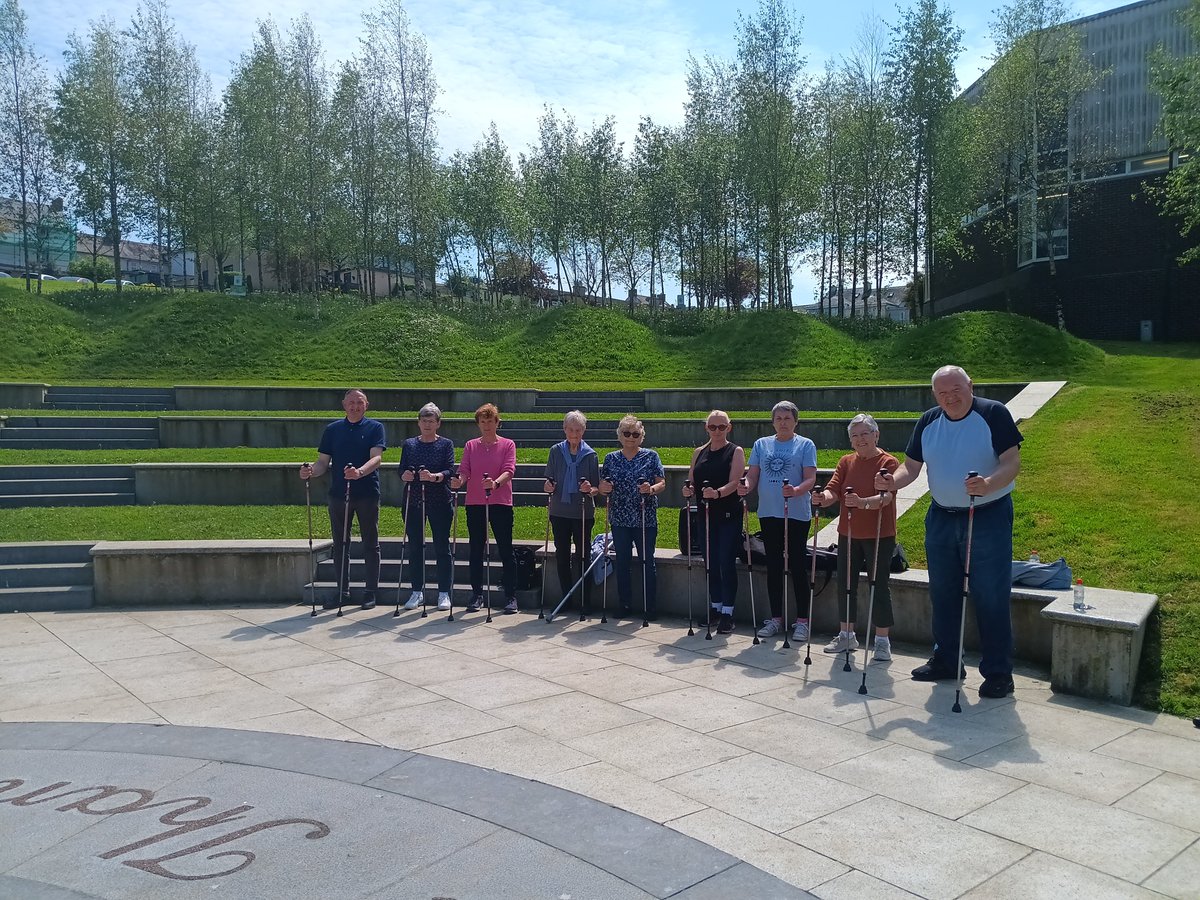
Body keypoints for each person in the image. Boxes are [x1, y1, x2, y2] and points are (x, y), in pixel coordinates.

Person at [875, 365, 1023, 699]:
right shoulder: (928, 420)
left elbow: (1011, 462)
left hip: (987, 515)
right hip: (941, 516)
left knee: (990, 594)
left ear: (971, 386)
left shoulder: (993, 413)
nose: (950, 398)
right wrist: (890, 483)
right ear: (934, 395)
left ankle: (999, 672)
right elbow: (911, 467)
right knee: (942, 592)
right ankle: (946, 660)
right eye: (942, 393)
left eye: (956, 389)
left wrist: (988, 484)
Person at [812, 414, 900, 660]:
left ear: (876, 435)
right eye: (854, 436)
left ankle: (882, 641)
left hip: (880, 534)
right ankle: (846, 635)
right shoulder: (846, 461)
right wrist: (822, 498)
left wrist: (862, 503)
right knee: (846, 584)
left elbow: (887, 497)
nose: (860, 440)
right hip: (849, 533)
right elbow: (833, 490)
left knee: (878, 585)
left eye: (864, 434)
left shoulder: (888, 462)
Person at [299, 389, 387, 610]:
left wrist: (359, 472)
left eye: (359, 402)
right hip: (339, 494)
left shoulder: (375, 427)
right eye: (351, 402)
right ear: (344, 404)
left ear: (366, 405)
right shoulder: (333, 429)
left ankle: (370, 591)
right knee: (340, 544)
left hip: (367, 492)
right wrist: (310, 471)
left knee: (370, 543)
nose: (355, 406)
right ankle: (342, 592)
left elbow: (376, 458)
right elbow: (322, 462)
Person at [740, 401, 817, 641]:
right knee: (773, 565)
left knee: (797, 564)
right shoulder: (761, 444)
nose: (783, 422)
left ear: (796, 421)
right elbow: (753, 474)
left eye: (787, 418)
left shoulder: (805, 444)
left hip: (796, 513)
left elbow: (810, 478)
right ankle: (775, 619)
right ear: (773, 422)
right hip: (769, 512)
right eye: (779, 418)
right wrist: (746, 486)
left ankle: (802, 621)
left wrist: (796, 491)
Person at [682, 410, 746, 634]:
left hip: (728, 514)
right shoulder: (699, 452)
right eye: (712, 427)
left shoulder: (735, 451)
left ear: (729, 427)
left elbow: (735, 481)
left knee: (726, 562)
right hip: (705, 515)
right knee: (710, 562)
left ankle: (728, 611)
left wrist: (717, 493)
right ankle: (716, 606)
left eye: (721, 427)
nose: (717, 431)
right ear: (706, 428)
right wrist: (689, 489)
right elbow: (692, 479)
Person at [598, 415, 666, 618]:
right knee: (622, 562)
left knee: (647, 562)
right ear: (620, 435)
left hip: (645, 517)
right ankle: (624, 604)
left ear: (641, 436)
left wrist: (650, 489)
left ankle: (650, 607)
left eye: (635, 434)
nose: (630, 437)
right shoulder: (610, 458)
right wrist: (604, 488)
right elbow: (602, 485)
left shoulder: (651, 456)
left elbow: (662, 483)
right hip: (619, 517)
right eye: (626, 433)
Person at [453, 403, 518, 613]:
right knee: (476, 549)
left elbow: (509, 470)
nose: (487, 425)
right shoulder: (471, 445)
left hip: (500, 502)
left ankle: (511, 596)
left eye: (490, 421)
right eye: (483, 422)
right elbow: (464, 469)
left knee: (505, 549)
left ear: (497, 422)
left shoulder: (508, 444)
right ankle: (477, 594)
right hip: (475, 503)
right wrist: (460, 480)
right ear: (478, 424)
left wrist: (495, 483)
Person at [398, 403, 455, 612]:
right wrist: (404, 475)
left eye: (431, 421)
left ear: (438, 423)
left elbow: (450, 470)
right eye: (424, 421)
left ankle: (443, 592)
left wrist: (434, 477)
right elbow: (401, 469)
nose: (427, 425)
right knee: (415, 547)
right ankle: (416, 591)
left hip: (439, 500)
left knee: (442, 546)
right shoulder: (410, 444)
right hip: (414, 500)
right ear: (418, 422)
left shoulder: (446, 444)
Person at [542, 411, 600, 613]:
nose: (574, 434)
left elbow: (597, 488)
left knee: (583, 556)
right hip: (559, 511)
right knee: (562, 555)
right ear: (564, 430)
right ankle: (565, 599)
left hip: (582, 512)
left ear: (584, 431)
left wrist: (590, 489)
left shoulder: (591, 454)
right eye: (571, 430)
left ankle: (585, 600)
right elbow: (549, 479)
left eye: (578, 430)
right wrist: (548, 486)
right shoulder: (555, 451)